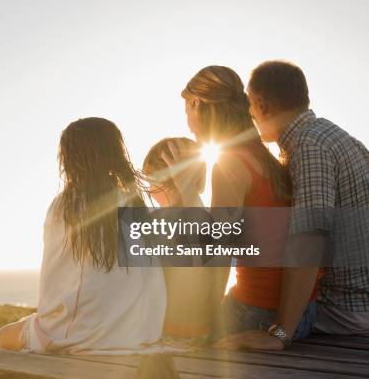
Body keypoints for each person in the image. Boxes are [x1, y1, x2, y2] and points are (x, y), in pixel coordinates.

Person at [161, 66, 320, 349]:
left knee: (167, 331)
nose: (187, 119)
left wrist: (205, 324)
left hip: (258, 316)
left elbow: (217, 256)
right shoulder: (266, 158)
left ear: (196, 103)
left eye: (186, 109)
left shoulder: (230, 164)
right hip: (303, 314)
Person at [220, 60, 368, 346]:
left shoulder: (309, 147)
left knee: (220, 319)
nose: (249, 114)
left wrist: (280, 333)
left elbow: (309, 240)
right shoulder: (335, 135)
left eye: (249, 105)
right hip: (358, 300)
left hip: (343, 308)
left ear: (261, 105)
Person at [0, 117, 167, 354]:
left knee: (3, 336)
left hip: (82, 335)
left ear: (69, 159)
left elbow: (55, 285)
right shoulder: (136, 205)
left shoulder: (66, 205)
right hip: (141, 333)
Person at [143, 137, 222, 347]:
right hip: (201, 332)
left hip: (171, 335)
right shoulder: (206, 216)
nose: (149, 191)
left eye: (150, 182)